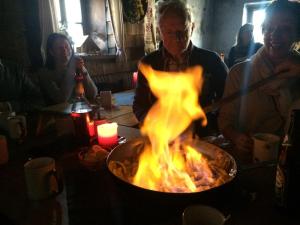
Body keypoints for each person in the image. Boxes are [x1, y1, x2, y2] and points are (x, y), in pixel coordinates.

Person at [133, 0, 228, 137]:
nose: (177, 38)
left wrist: (212, 123)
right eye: (169, 32)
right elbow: (139, 105)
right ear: (160, 31)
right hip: (163, 139)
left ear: (192, 27)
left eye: (182, 31)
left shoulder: (211, 61)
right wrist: (150, 121)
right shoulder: (148, 64)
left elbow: (227, 101)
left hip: (202, 138)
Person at [218, 0, 300, 159]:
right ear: (263, 30)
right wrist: (236, 137)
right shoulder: (239, 73)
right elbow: (225, 120)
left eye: (285, 29)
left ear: (296, 34)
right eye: (269, 27)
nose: (275, 35)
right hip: (248, 162)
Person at [38, 33, 97, 105]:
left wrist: (83, 70)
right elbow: (61, 98)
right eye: (60, 48)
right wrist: (71, 69)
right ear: (51, 52)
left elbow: (93, 94)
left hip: (80, 110)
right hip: (57, 114)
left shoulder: (76, 66)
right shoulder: (44, 73)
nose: (64, 51)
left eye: (67, 47)